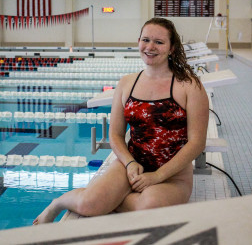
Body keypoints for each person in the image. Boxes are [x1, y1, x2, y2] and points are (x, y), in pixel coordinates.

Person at [33, 17, 209, 224]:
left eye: (159, 42)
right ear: (138, 42)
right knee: (89, 204)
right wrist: (130, 163)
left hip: (173, 174)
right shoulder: (127, 83)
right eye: (146, 40)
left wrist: (158, 176)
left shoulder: (189, 86)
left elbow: (197, 142)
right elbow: (115, 135)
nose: (150, 47)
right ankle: (59, 202)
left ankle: (110, 199)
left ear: (171, 48)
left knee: (149, 207)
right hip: (132, 164)